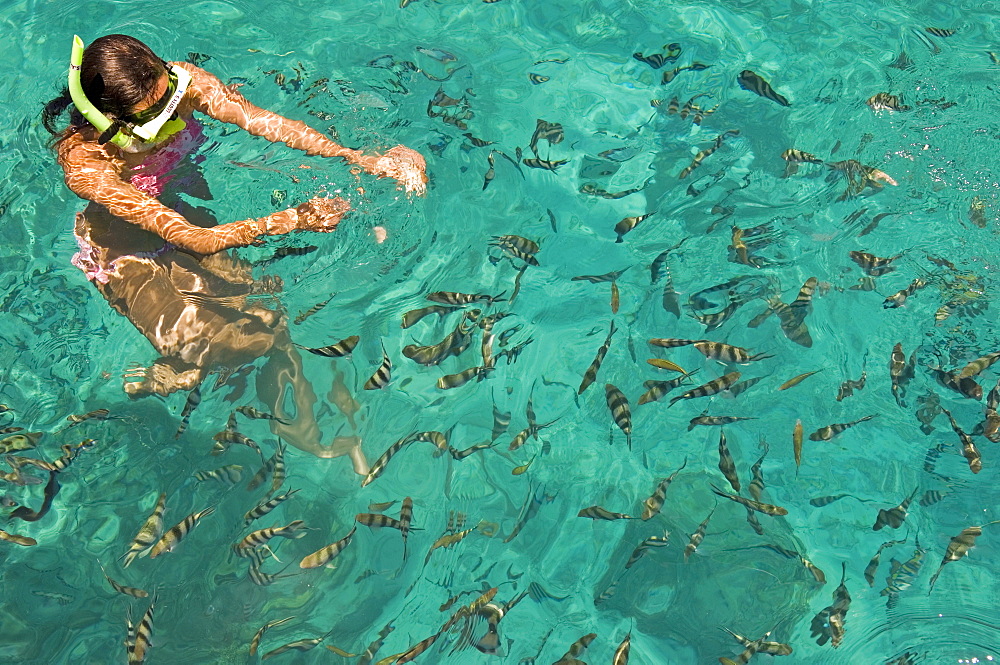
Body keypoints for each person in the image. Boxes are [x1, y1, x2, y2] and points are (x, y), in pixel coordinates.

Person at [42, 34, 427, 469]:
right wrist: (291, 220)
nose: (171, 112)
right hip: (121, 244)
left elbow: (262, 121)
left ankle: (237, 385)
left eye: (169, 96)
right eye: (152, 115)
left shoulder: (183, 83)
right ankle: (183, 366)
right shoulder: (85, 160)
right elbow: (193, 239)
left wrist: (355, 157)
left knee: (268, 316)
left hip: (180, 205)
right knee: (219, 345)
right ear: (107, 118)